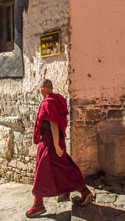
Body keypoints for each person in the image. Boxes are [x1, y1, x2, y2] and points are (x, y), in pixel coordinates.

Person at [26, 79, 93, 218]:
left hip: (50, 142)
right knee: (64, 168)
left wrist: (56, 145)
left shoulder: (48, 102)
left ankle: (38, 204)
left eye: (40, 88)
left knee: (42, 171)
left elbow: (54, 123)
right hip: (56, 140)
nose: (40, 91)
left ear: (44, 88)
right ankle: (84, 191)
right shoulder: (58, 99)